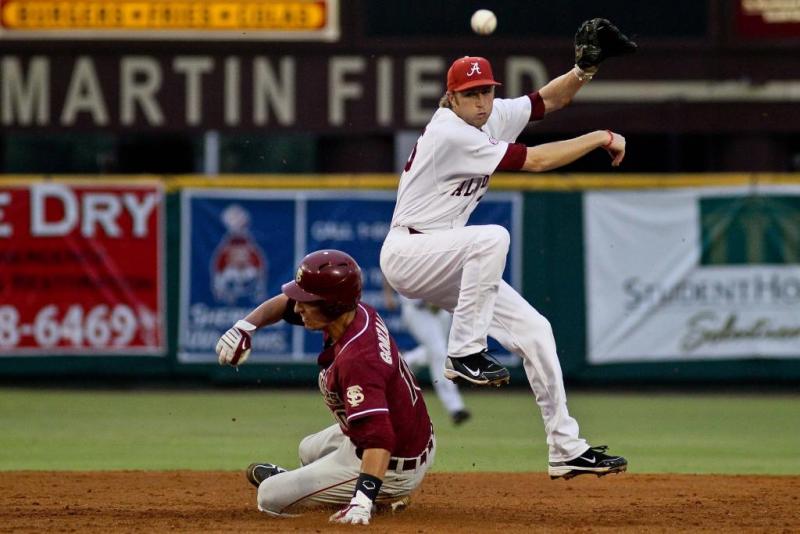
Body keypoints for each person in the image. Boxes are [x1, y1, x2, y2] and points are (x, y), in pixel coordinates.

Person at [379, 18, 636, 480]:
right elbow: (536, 161)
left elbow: (548, 100)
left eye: (487, 91)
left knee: (536, 332)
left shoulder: (489, 115)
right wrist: (599, 136)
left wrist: (584, 70)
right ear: (450, 98)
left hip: (445, 256)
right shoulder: (450, 133)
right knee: (493, 236)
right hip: (409, 252)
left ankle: (566, 449)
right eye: (471, 94)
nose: (482, 102)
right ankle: (464, 353)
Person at [216, 249, 435, 525]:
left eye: (306, 301)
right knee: (308, 449)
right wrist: (245, 327)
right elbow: (286, 304)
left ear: (331, 305)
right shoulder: (354, 314)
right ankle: (314, 484)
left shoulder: (359, 359)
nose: (298, 308)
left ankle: (380, 496)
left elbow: (380, 439)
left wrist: (361, 502)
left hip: (392, 461)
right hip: (408, 434)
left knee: (269, 496)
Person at [383, 282, 471, 426]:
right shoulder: (406, 258)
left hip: (441, 309)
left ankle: (403, 363)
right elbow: (387, 265)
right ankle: (455, 407)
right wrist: (387, 294)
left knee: (438, 351)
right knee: (439, 352)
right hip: (417, 309)